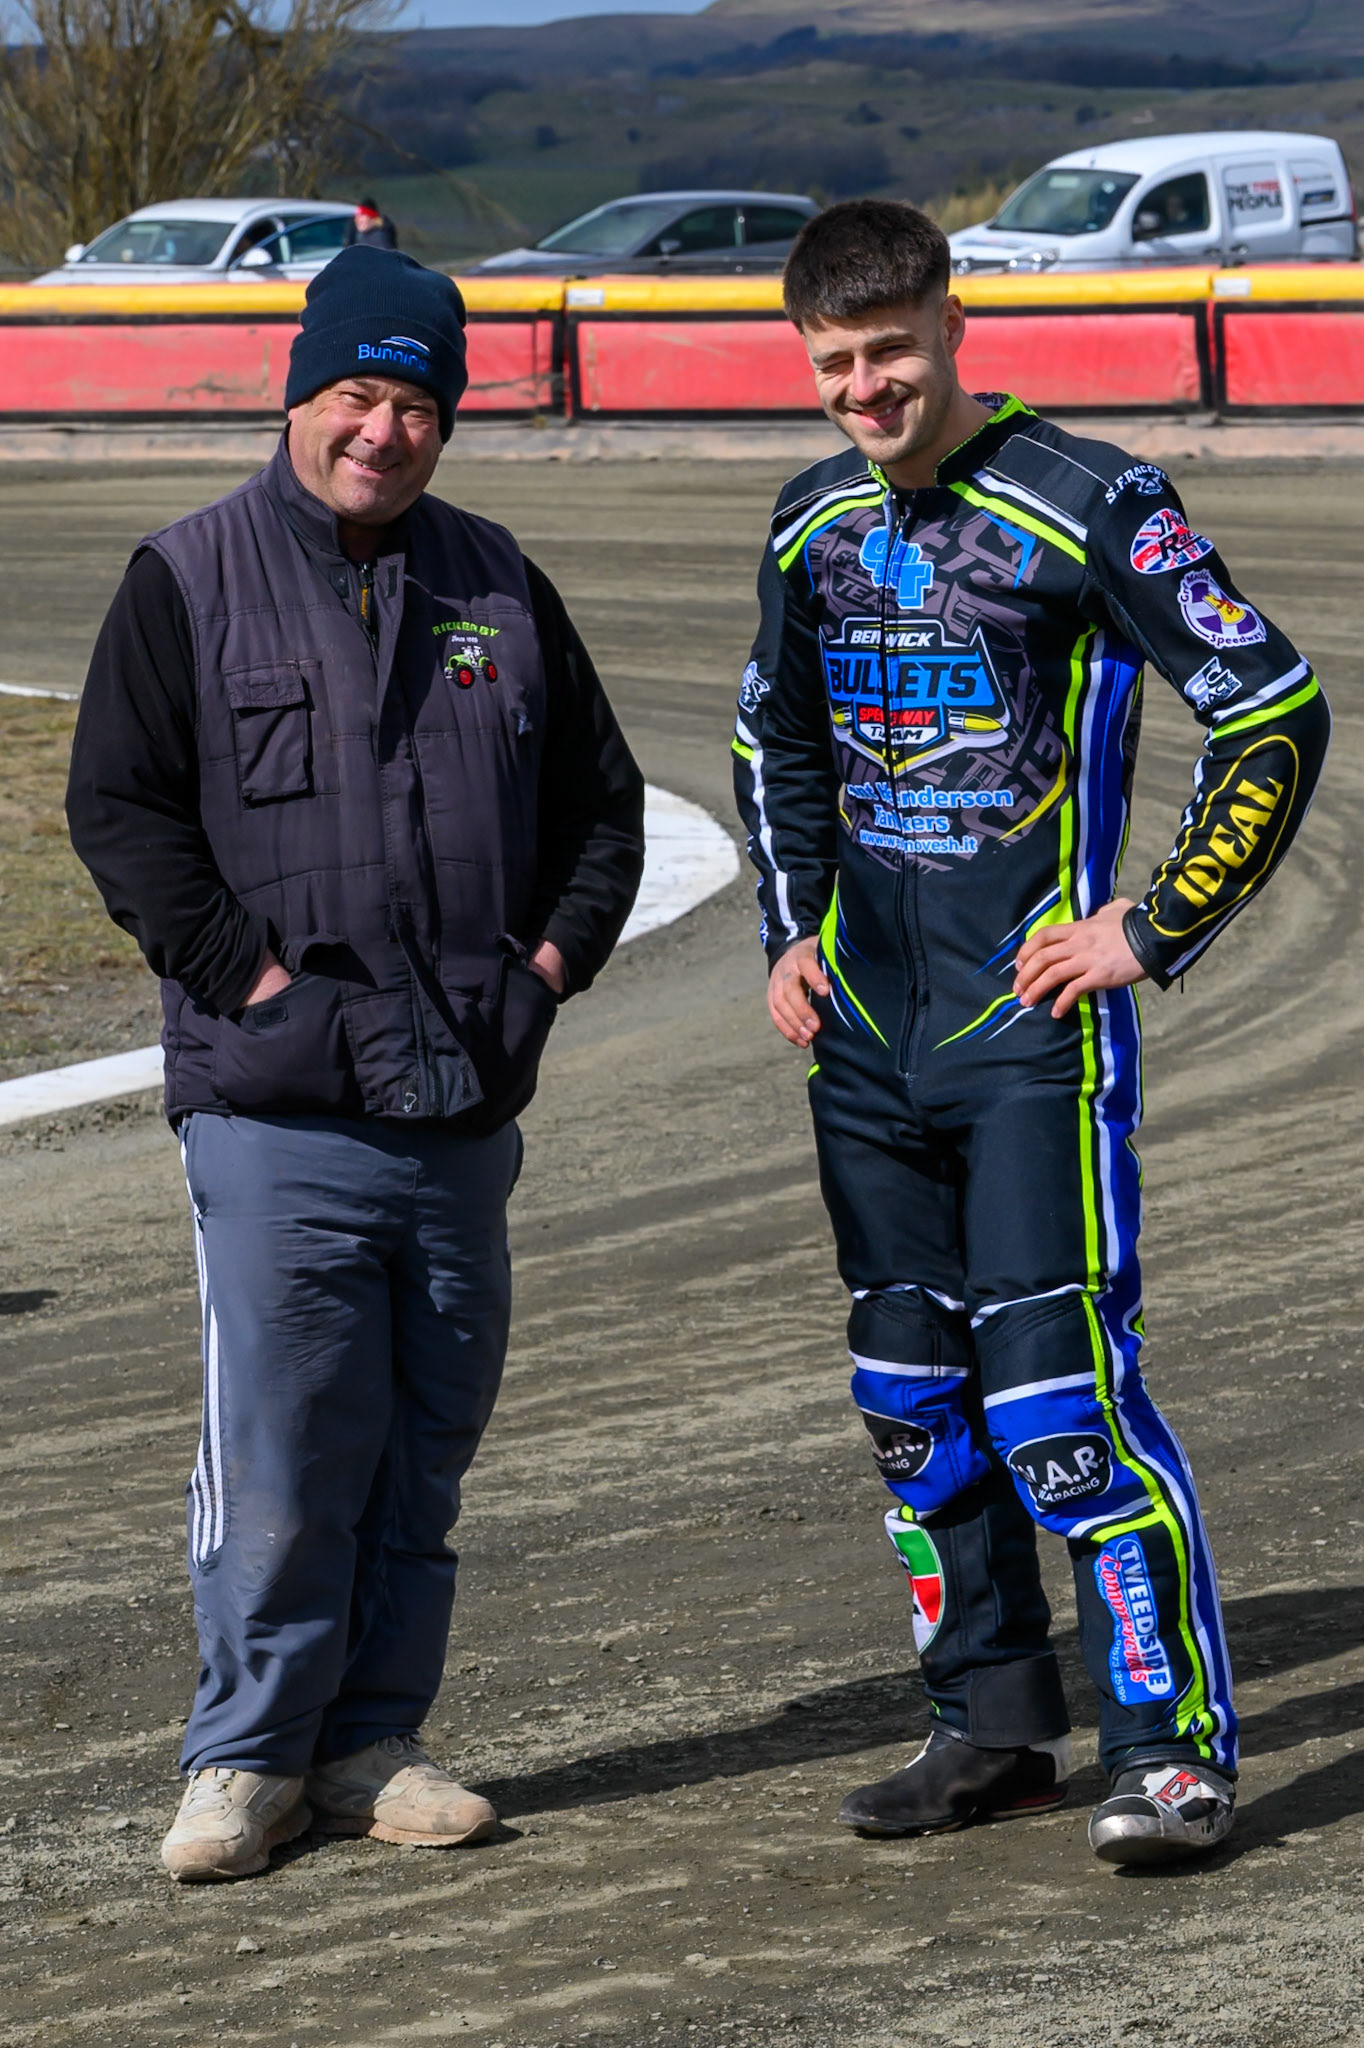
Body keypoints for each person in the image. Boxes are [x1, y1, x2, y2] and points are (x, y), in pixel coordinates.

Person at [732, 199, 1329, 1866]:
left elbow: (1273, 711)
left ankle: (1173, 1752)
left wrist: (1154, 925)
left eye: (891, 353)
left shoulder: (1096, 499)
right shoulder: (810, 517)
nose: (867, 389)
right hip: (865, 1043)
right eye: (835, 364)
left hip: (1031, 1046)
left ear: (953, 329)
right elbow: (772, 736)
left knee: (1062, 1410)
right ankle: (990, 1726)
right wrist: (789, 931)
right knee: (911, 1403)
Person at [67, 245, 645, 1883]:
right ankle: (244, 1760)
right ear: (298, 396)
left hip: (460, 1100)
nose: (383, 432)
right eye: (356, 395)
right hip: (277, 1102)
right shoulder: (187, 577)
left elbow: (601, 810)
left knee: (422, 1446)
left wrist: (541, 975)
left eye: (416, 406)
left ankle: (371, 1743)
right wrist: (249, 984)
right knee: (283, 1447)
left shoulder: (497, 583)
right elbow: (119, 808)